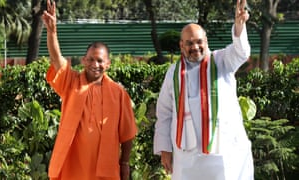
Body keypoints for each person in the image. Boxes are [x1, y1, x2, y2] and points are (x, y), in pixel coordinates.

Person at [153, 0, 254, 179]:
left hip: (223, 154)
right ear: (181, 46)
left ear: (206, 41)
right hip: (186, 157)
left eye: (199, 41)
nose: (195, 47)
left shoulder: (222, 61)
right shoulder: (173, 72)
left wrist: (239, 27)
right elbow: (165, 113)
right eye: (189, 43)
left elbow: (241, 52)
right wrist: (164, 150)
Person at [42, 0, 138, 179]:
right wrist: (52, 31)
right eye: (91, 60)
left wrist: (124, 163)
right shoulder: (71, 83)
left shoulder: (118, 93)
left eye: (100, 61)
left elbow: (127, 133)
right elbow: (56, 59)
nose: (96, 64)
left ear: (108, 64)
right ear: (84, 61)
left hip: (105, 170)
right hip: (73, 168)